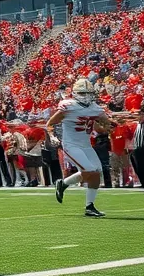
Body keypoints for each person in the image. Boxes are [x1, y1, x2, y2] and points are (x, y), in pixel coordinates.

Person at [48, 78, 113, 217]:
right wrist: (52, 136)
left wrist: (108, 126)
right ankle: (64, 184)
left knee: (96, 173)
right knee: (90, 170)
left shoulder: (95, 107)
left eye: (89, 93)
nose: (86, 96)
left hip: (86, 145)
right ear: (75, 93)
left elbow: (103, 124)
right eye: (83, 93)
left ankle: (88, 206)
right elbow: (50, 122)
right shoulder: (68, 106)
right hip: (71, 145)